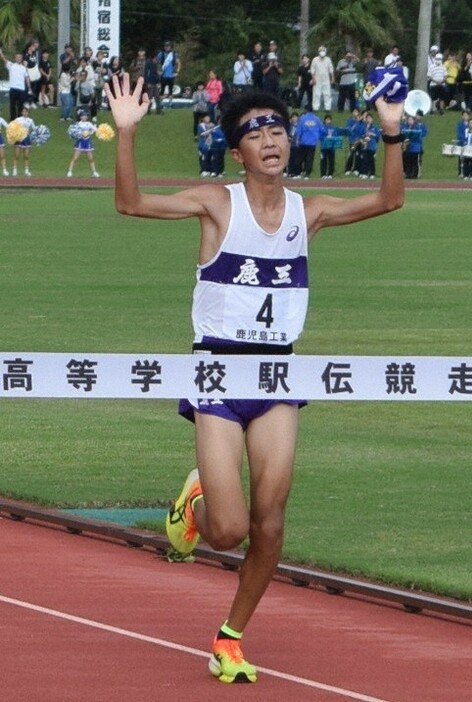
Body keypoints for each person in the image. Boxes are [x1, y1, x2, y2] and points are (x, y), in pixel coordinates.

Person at [104, 73, 404, 685]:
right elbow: (130, 204)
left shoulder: (308, 211)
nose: (269, 139)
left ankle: (229, 636)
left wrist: (393, 133)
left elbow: (388, 200)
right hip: (216, 370)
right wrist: (127, 133)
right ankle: (197, 502)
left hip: (278, 375)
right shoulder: (217, 202)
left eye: (277, 129)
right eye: (253, 131)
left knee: (271, 522)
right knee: (228, 531)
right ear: (235, 149)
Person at [66, 109, 100, 178]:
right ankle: (70, 171)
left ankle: (94, 172)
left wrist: (96, 130)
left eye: (85, 116)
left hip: (87, 142)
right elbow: (74, 133)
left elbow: (95, 130)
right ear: (80, 117)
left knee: (91, 158)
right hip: (80, 142)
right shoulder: (77, 124)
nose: (84, 117)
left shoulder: (89, 124)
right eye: (83, 116)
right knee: (75, 158)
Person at [0, 48, 30, 120]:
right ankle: (13, 119)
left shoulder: (24, 68)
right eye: (17, 57)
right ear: (15, 58)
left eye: (20, 57)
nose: (18, 58)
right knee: (12, 105)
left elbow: (27, 78)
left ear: (22, 58)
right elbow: (4, 59)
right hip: (13, 89)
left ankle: (20, 119)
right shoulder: (11, 65)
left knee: (20, 105)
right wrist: (1, 53)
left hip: (21, 89)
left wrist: (29, 87)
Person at [295, 107, 324, 178]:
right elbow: (322, 130)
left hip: (303, 141)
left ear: (306, 110)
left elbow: (299, 130)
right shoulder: (317, 119)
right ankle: (307, 174)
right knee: (310, 159)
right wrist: (319, 138)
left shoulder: (302, 118)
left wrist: (298, 139)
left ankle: (298, 173)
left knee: (300, 158)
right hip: (312, 143)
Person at [12, 105, 35, 177]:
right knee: (17, 155)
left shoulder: (30, 120)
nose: (25, 113)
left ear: (28, 113)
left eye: (26, 112)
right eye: (23, 111)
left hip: (27, 139)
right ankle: (15, 170)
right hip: (19, 138)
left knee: (26, 156)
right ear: (21, 112)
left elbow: (34, 129)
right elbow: (12, 127)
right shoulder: (18, 119)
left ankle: (26, 171)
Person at [310, 46, 334, 112]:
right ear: (318, 51)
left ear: (325, 51)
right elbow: (312, 70)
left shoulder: (328, 59)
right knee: (316, 94)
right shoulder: (315, 59)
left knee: (327, 93)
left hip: (326, 78)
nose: (322, 52)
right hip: (317, 78)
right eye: (321, 50)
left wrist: (332, 78)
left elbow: (331, 69)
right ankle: (315, 108)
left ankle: (327, 108)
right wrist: (313, 78)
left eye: (323, 50)